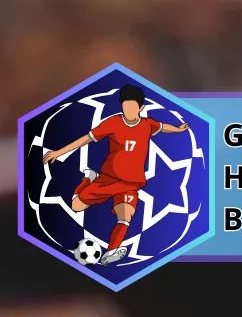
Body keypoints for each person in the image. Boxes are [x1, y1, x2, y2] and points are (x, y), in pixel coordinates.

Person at [41, 84, 189, 265]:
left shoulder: (147, 124)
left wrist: (179, 129)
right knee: (76, 206)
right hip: (108, 178)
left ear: (141, 107)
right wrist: (59, 152)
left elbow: (163, 127)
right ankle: (88, 178)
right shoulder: (113, 123)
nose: (128, 110)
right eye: (125, 106)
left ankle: (111, 252)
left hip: (131, 183)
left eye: (132, 106)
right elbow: (86, 138)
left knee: (125, 216)